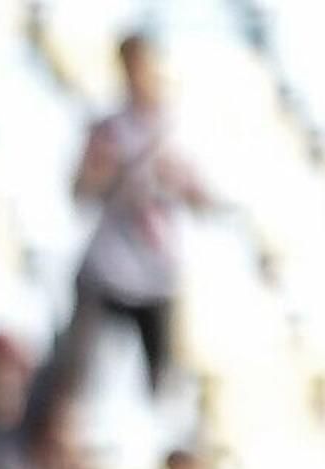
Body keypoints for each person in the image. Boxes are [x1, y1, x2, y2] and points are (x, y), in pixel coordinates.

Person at [56, 33, 205, 403]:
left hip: (158, 270)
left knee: (164, 385)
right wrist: (109, 172)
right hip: (108, 267)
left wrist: (177, 181)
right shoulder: (108, 130)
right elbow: (80, 192)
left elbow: (203, 197)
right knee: (78, 377)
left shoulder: (180, 127)